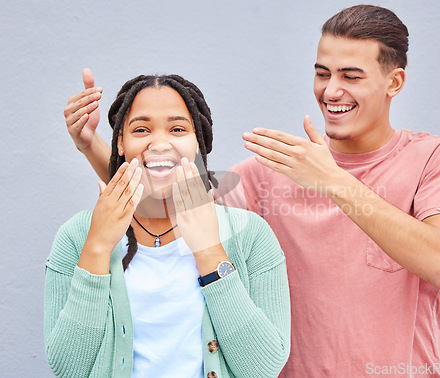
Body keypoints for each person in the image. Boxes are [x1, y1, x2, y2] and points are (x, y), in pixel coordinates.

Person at [63, 5, 440, 377]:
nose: (331, 91)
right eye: (322, 73)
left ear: (394, 82)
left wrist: (333, 181)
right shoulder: (272, 171)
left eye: (351, 76)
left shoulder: (434, 157)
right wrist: (92, 145)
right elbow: (164, 204)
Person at [45, 74, 290, 377]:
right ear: (121, 142)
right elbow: (68, 369)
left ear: (198, 142)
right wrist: (97, 247)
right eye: (141, 129)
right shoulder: (77, 236)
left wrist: (209, 251)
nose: (160, 143)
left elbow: (262, 369)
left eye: (177, 129)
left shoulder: (250, 234)